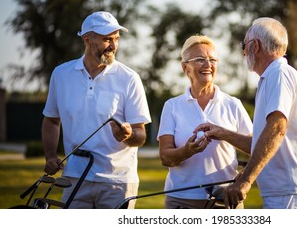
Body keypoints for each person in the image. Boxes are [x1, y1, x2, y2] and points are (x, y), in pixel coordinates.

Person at [195, 18, 297, 209]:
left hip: (287, 191)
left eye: (244, 45)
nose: (243, 52)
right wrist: (222, 133)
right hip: (283, 191)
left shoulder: (279, 74)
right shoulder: (271, 77)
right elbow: (262, 142)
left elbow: (277, 129)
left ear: (255, 46)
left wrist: (246, 180)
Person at [41, 11, 151, 209]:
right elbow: (51, 120)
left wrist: (127, 135)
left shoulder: (129, 78)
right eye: (107, 39)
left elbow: (141, 135)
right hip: (74, 179)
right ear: (87, 39)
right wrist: (50, 156)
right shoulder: (61, 74)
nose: (113, 45)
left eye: (116, 39)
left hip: (117, 182)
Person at [157, 35, 253, 209]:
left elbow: (256, 147)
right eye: (200, 59)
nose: (208, 64)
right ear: (185, 67)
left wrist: (223, 133)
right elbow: (165, 157)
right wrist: (186, 151)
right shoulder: (172, 106)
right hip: (181, 199)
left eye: (212, 59)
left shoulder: (233, 104)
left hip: (225, 199)